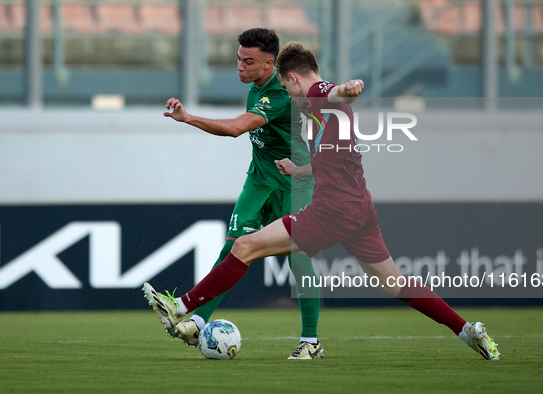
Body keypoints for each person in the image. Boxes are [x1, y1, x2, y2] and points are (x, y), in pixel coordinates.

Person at [144, 41, 501, 361]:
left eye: (286, 87)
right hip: (361, 208)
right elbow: (330, 158)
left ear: (294, 79)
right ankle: (466, 329)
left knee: (244, 247)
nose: (289, 95)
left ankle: (182, 305)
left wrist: (349, 89)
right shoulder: (319, 113)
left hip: (332, 211)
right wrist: (298, 170)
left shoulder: (317, 94)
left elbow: (337, 93)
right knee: (394, 284)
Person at [160, 28, 324, 359]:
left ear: (269, 63)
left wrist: (188, 118)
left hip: (294, 184)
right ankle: (198, 322)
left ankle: (311, 341)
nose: (240, 67)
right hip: (260, 180)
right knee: (231, 249)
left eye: (248, 62)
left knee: (299, 255)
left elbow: (236, 129)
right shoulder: (256, 84)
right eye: (238, 59)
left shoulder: (280, 95)